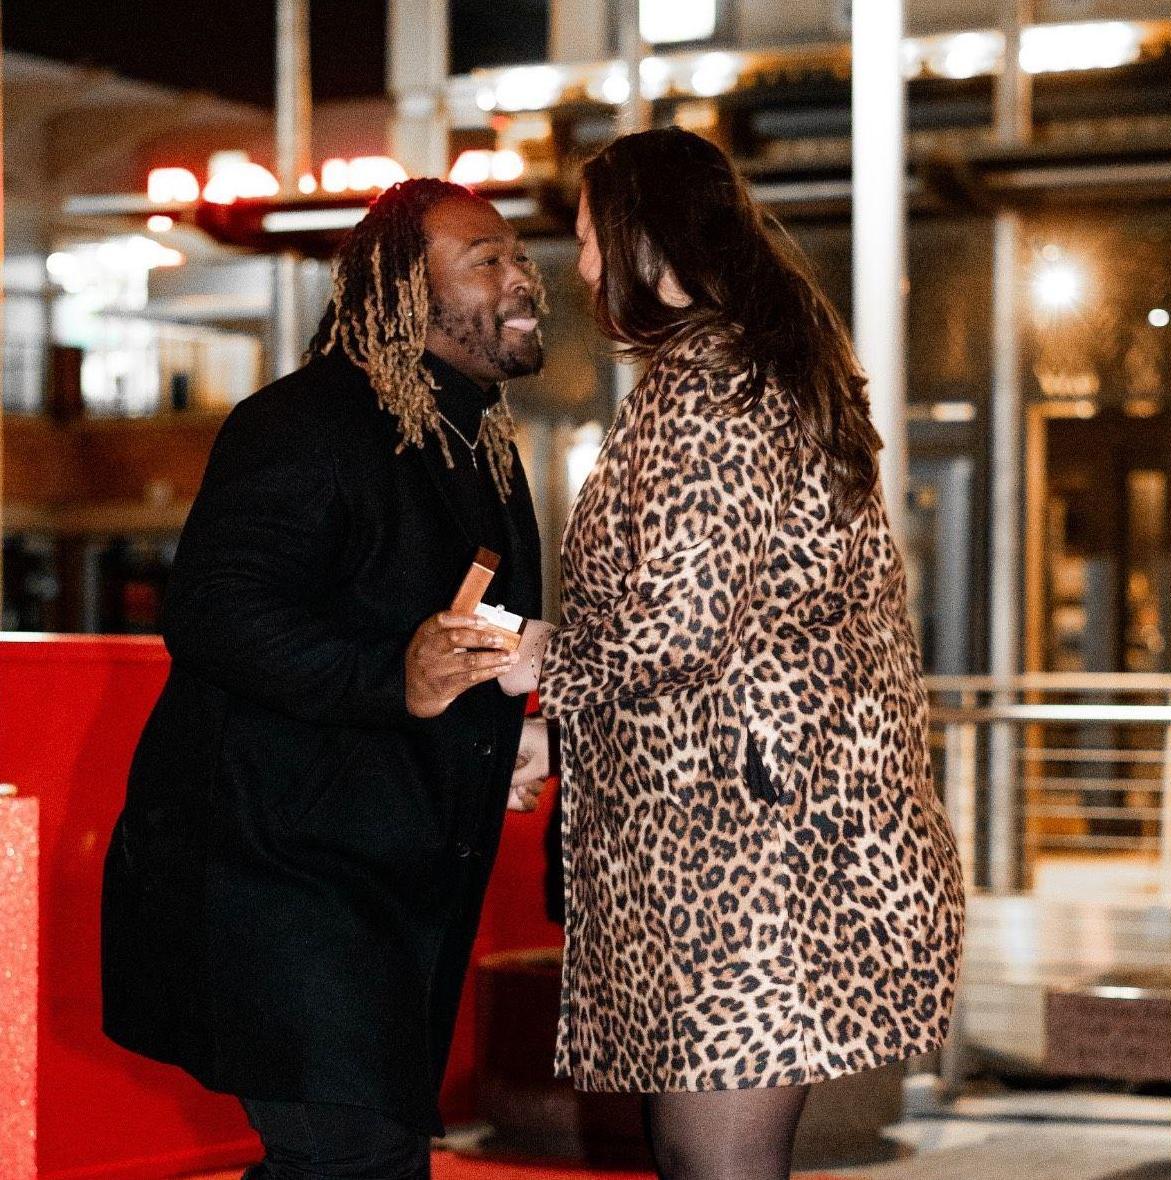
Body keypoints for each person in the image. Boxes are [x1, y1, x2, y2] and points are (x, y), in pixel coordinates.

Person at [503, 129, 966, 1180]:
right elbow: (736, 630)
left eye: (590, 237)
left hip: (737, 859)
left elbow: (680, 623)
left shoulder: (711, 382)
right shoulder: (750, 365)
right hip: (751, 838)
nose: (581, 268)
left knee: (712, 1163)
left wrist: (539, 660)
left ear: (644, 239)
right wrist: (560, 735)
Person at [101, 178, 552, 1180]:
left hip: (384, 880)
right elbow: (215, 613)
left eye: (519, 255)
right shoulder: (303, 423)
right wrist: (395, 678)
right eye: (486, 259)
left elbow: (443, 628)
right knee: (353, 1162)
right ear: (402, 289)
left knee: (362, 1162)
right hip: (282, 876)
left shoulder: (476, 439)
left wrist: (499, 735)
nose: (522, 277)